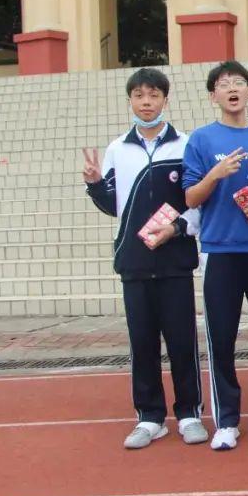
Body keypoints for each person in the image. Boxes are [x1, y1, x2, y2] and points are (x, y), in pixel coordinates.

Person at [82, 68, 205, 450]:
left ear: (165, 99)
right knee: (143, 343)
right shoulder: (118, 149)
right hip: (134, 262)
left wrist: (178, 228)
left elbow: (198, 199)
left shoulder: (186, 145)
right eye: (139, 96)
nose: (146, 102)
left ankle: (189, 414)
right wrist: (94, 184)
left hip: (175, 261)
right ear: (130, 101)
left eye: (153, 95)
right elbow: (114, 206)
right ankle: (150, 418)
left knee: (182, 341)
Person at [182, 60, 248, 451]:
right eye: (224, 84)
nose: (232, 89)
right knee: (222, 338)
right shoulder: (201, 140)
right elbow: (190, 197)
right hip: (220, 252)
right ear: (213, 96)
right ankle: (227, 421)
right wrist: (216, 174)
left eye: (239, 82)